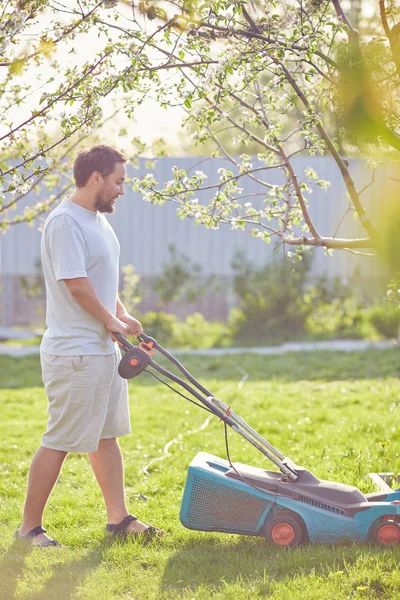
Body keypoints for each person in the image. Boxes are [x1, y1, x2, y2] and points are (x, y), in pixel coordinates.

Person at [14, 145, 163, 546]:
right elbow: (76, 285)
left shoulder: (98, 221)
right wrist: (109, 320)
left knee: (106, 436)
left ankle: (118, 519)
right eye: (118, 182)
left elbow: (99, 282)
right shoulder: (65, 222)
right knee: (61, 439)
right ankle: (29, 528)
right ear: (95, 177)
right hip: (75, 353)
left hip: (102, 350)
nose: (122, 190)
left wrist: (122, 315)